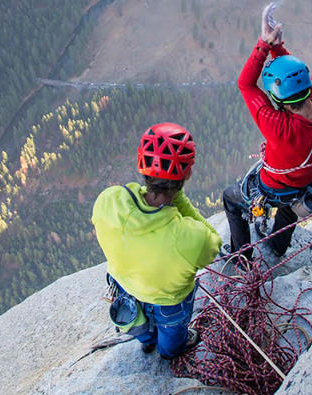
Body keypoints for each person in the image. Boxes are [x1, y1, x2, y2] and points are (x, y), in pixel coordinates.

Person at [223, 5, 312, 260]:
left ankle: (241, 257)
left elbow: (245, 84)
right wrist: (278, 48)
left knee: (231, 199)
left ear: (278, 101)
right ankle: (277, 247)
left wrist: (265, 45)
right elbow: (299, 79)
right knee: (290, 205)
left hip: (272, 188)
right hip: (305, 183)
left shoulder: (280, 127)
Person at [92, 122, 221, 358]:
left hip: (124, 286)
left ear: (142, 166)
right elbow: (214, 242)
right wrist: (177, 198)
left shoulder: (108, 201)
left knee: (138, 323)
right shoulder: (192, 238)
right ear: (188, 174)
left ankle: (146, 339)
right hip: (168, 304)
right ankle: (168, 352)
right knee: (172, 340)